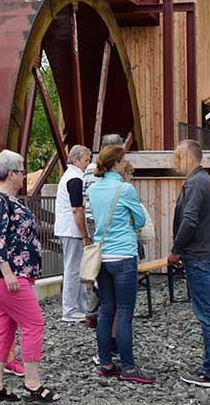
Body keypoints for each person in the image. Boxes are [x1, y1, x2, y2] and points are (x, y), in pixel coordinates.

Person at [0, 149, 60, 403]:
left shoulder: (5, 199)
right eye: (22, 171)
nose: (25, 176)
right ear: (11, 173)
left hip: (9, 275)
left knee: (5, 325)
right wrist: (8, 273)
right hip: (7, 276)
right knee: (33, 323)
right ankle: (33, 384)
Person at [88, 145, 154, 384]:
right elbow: (139, 219)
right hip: (124, 255)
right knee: (125, 312)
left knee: (106, 310)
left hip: (102, 257)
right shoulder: (125, 188)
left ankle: (105, 362)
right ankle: (128, 367)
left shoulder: (93, 189)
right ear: (116, 163)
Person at [168, 139, 210, 388]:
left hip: (198, 256)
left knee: (207, 313)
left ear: (189, 157)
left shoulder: (195, 183)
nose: (174, 161)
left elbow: (189, 220)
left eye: (178, 156)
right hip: (207, 254)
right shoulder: (205, 181)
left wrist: (176, 250)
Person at [82, 133, 124, 328]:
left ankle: (92, 310)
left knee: (94, 265)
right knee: (106, 266)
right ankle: (106, 311)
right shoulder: (111, 177)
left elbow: (83, 200)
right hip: (107, 223)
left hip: (92, 221)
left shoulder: (88, 172)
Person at [54, 145, 92, 322]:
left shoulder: (71, 177)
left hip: (67, 228)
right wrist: (84, 235)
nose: (88, 163)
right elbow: (77, 209)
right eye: (86, 160)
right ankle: (69, 309)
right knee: (73, 269)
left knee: (75, 268)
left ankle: (78, 307)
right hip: (71, 229)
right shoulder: (75, 179)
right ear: (76, 160)